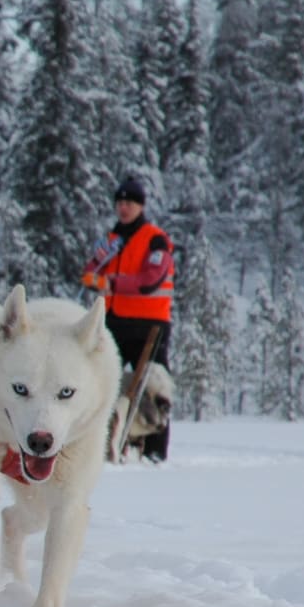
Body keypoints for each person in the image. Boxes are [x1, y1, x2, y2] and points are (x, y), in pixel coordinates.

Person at [81, 173, 175, 461]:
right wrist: (95, 280)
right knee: (105, 383)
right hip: (115, 323)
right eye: (120, 202)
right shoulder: (111, 241)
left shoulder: (155, 240)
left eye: (130, 203)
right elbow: (89, 273)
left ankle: (156, 452)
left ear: (141, 206)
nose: (124, 208)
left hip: (150, 325)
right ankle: (105, 445)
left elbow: (151, 280)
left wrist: (112, 283)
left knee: (155, 387)